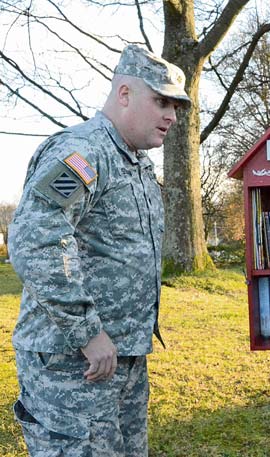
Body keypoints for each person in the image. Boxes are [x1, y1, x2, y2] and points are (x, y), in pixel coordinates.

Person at [8, 44, 190, 456]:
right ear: (124, 93)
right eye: (161, 101)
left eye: (175, 106)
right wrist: (88, 331)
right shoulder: (84, 152)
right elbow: (36, 238)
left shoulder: (135, 162)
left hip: (120, 358)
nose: (171, 116)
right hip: (74, 362)